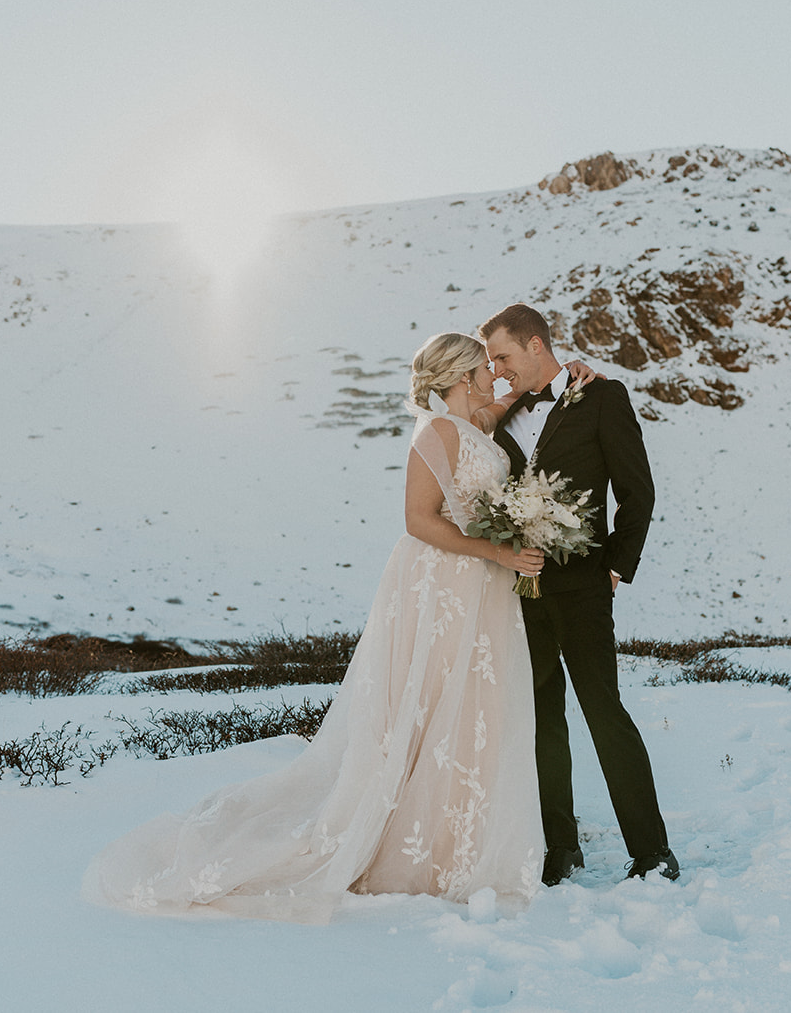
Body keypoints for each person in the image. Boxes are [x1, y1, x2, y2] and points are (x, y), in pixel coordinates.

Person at [82, 333, 549, 923]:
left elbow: (504, 406)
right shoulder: (436, 433)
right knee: (429, 700)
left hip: (483, 586)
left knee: (470, 705)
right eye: (485, 367)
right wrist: (495, 551)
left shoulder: (475, 421)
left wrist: (546, 380)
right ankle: (412, 841)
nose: (493, 374)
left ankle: (462, 835)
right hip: (445, 584)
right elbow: (416, 521)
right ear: (460, 376)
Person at [480, 303, 680, 886]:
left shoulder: (603, 397)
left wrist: (617, 565)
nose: (497, 369)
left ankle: (652, 851)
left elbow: (637, 491)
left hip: (585, 586)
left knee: (604, 712)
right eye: (491, 359)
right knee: (542, 718)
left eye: (503, 356)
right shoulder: (501, 412)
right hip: (521, 589)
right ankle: (559, 849)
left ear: (537, 346)